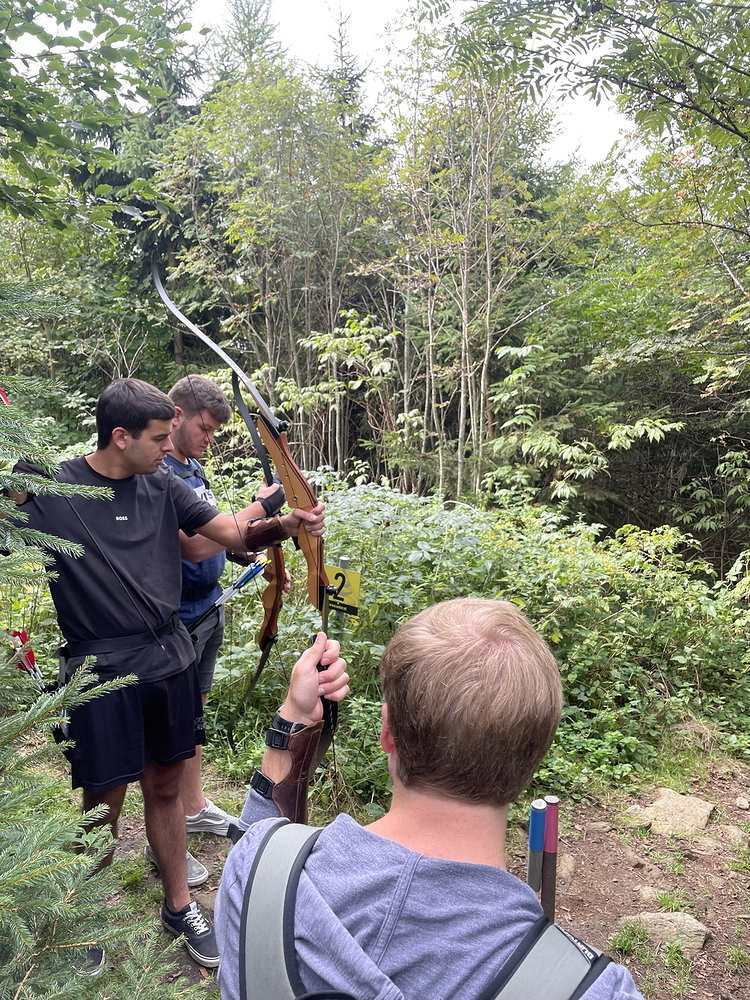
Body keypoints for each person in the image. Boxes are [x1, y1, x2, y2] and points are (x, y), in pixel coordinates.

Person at [9, 378, 325, 972]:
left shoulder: (162, 485)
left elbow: (230, 533)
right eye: (158, 438)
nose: (167, 447)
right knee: (102, 802)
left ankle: (179, 905)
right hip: (99, 670)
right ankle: (78, 916)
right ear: (120, 436)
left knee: (164, 786)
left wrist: (288, 524)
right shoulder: (52, 487)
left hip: (169, 659)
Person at [215, 598, 644, 1000]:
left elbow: (262, 841)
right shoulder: (590, 989)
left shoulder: (253, 874)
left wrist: (293, 718)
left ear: (387, 731)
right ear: (535, 755)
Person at [157, 375, 284, 865]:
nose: (210, 439)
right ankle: (166, 838)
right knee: (171, 730)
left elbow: (215, 538)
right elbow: (192, 546)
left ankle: (192, 808)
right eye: (205, 428)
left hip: (209, 605)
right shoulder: (159, 471)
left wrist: (246, 552)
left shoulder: (192, 467)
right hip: (176, 617)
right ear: (177, 416)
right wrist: (265, 507)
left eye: (214, 431)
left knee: (194, 717)